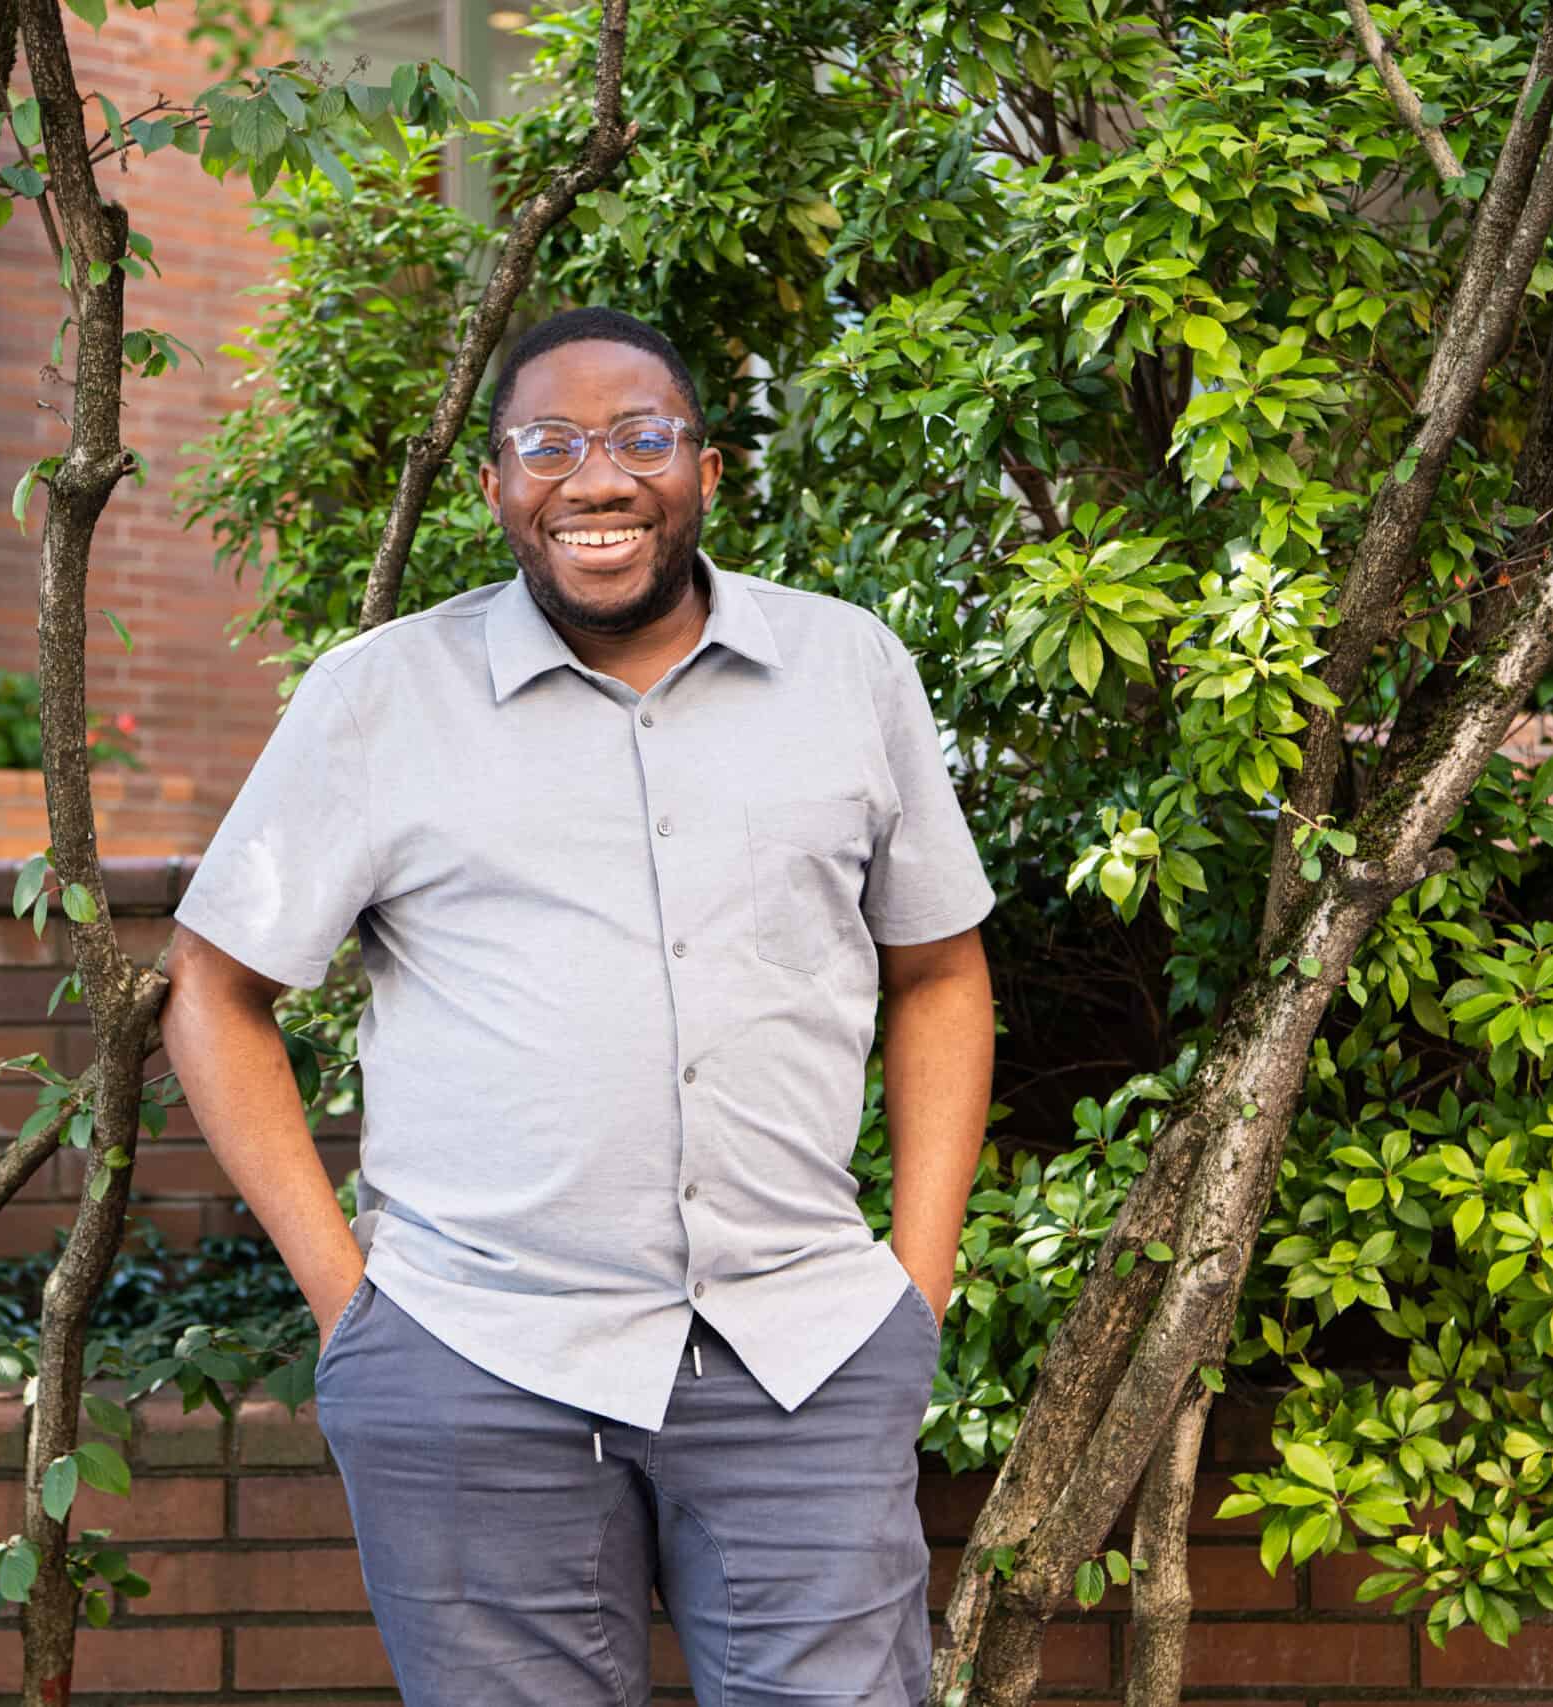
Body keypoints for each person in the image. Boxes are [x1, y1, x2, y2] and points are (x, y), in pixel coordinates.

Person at [159, 304, 998, 1707]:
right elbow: (215, 987)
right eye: (546, 444)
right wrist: (349, 1307)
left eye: (641, 438)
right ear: (493, 486)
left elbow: (941, 972)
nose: (595, 479)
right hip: (474, 1363)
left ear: (709, 472)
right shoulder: (378, 700)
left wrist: (915, 1286)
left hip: (801, 1353)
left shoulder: (849, 671)